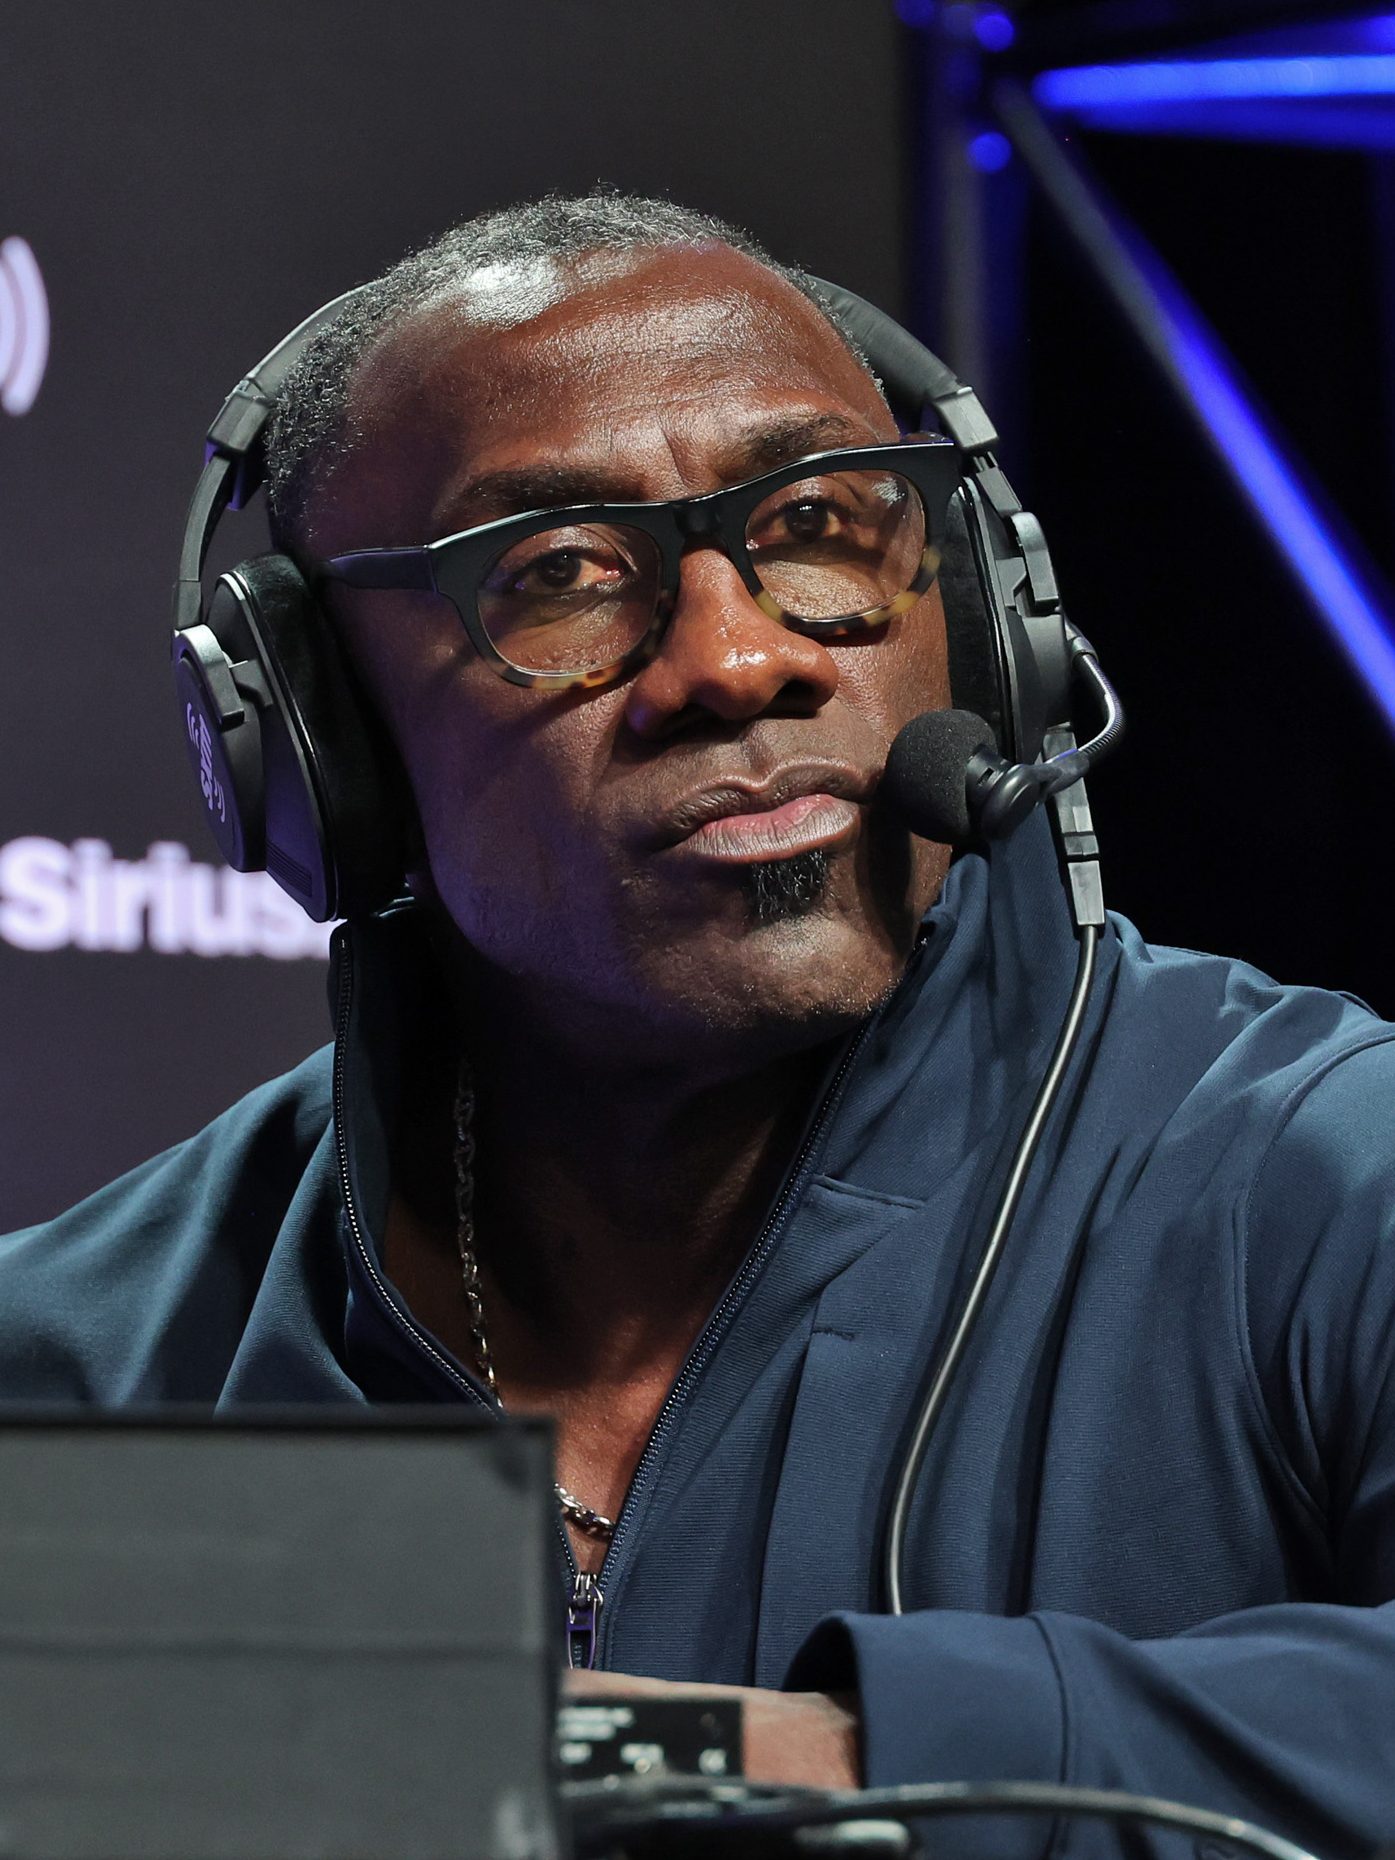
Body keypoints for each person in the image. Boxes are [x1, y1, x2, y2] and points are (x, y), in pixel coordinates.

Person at [1, 194, 1393, 1853]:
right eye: (561, 573)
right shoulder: (79, 1364)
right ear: (317, 744)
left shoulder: (1327, 1172)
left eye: (818, 520)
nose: (736, 660)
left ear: (982, 617)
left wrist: (779, 1764)